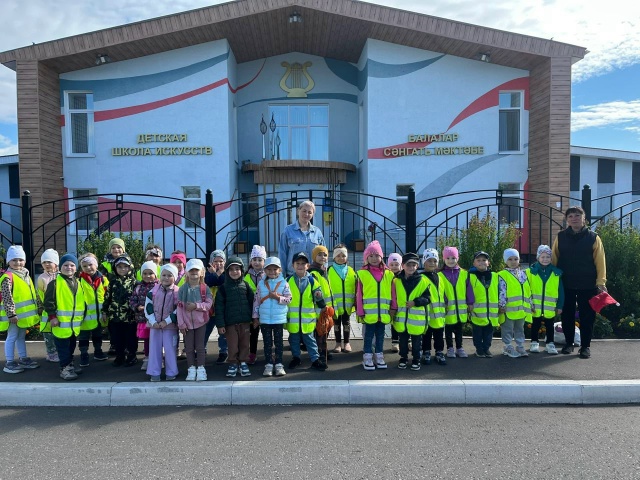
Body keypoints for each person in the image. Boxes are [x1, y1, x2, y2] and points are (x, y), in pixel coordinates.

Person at [552, 205, 607, 359]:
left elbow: (600, 262)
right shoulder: (560, 236)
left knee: (587, 316)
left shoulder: (593, 237)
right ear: (567, 220)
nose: (574, 218)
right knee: (567, 314)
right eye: (570, 216)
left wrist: (601, 282)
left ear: (584, 218)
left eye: (577, 215)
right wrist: (552, 280)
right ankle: (569, 343)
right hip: (565, 282)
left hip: (587, 283)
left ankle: (585, 346)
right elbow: (554, 258)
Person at [1, 245, 42, 374]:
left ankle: (23, 358)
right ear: (8, 261)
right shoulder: (8, 277)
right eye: (14, 260)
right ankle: (9, 362)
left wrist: (38, 307)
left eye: (20, 260)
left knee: (20, 336)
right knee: (12, 337)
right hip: (13, 316)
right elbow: (7, 297)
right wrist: (11, 314)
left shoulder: (25, 274)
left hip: (22, 316)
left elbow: (32, 294)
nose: (17, 262)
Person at [43, 253, 85, 380]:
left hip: (72, 325)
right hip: (60, 324)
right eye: (65, 265)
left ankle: (69, 364)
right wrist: (52, 317)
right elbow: (48, 302)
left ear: (76, 268)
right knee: (63, 348)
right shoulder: (55, 283)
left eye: (72, 265)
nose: (69, 267)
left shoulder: (78, 283)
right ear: (60, 267)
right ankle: (65, 368)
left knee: (71, 346)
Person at [286, 251, 328, 371]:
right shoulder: (287, 281)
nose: (300, 266)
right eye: (298, 263)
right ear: (293, 265)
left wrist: (322, 306)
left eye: (303, 263)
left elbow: (319, 298)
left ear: (308, 266)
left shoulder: (312, 281)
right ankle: (296, 358)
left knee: (310, 340)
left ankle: (315, 359)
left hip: (308, 319)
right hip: (293, 319)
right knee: (293, 340)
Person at [356, 240, 394, 370]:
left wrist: (393, 307)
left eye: (377, 255)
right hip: (369, 314)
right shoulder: (362, 274)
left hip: (383, 313)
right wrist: (360, 311)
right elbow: (359, 295)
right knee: (368, 336)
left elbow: (393, 293)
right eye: (370, 256)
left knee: (380, 336)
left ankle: (379, 356)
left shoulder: (389, 274)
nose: (374, 258)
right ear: (366, 258)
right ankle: (367, 357)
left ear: (381, 257)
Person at [215, 256, 254, 377]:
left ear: (242, 270)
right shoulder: (223, 288)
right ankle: (232, 363)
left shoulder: (246, 285)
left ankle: (243, 362)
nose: (234, 272)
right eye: (231, 269)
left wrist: (254, 318)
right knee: (232, 345)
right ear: (227, 272)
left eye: (237, 269)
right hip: (230, 324)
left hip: (245, 322)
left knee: (244, 344)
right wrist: (220, 324)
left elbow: (252, 303)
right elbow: (219, 307)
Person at [390, 253, 430, 370]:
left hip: (416, 320)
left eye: (414, 265)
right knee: (402, 341)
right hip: (401, 318)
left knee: (416, 342)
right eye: (408, 265)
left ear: (417, 266)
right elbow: (393, 297)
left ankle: (416, 359)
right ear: (402, 265)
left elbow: (427, 298)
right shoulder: (396, 281)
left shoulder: (423, 281)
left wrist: (415, 302)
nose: (411, 267)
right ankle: (403, 358)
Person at [253, 257, 292, 377]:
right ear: (265, 270)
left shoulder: (284, 283)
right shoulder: (261, 284)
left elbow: (289, 299)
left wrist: (277, 298)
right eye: (269, 269)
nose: (272, 272)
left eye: (275, 269)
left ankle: (279, 364)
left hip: (278, 319)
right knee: (267, 343)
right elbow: (256, 301)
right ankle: (269, 364)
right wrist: (255, 317)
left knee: (279, 343)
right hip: (265, 319)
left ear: (280, 270)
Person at [177, 259, 212, 381]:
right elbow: (179, 308)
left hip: (201, 323)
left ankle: (201, 368)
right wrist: (181, 324)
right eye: (191, 270)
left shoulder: (205, 289)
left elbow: (208, 304)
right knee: (189, 348)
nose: (193, 272)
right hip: (186, 324)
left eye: (196, 270)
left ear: (202, 272)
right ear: (186, 272)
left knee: (200, 347)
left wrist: (196, 306)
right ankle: (191, 368)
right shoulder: (182, 289)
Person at [145, 263, 180, 381]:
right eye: (164, 275)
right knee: (154, 349)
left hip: (170, 327)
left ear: (175, 277)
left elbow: (178, 309)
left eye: (169, 275)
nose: (166, 278)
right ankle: (154, 372)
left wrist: (167, 321)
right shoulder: (153, 291)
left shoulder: (177, 292)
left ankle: (171, 372)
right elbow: (148, 307)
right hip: (155, 326)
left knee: (170, 349)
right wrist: (153, 321)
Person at [527, 245, 564, 355]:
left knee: (550, 326)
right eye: (542, 257)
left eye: (548, 257)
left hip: (550, 307)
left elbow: (561, 291)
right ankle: (534, 342)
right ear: (538, 258)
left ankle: (550, 344)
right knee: (535, 325)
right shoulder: (531, 272)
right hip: (535, 306)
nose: (545, 259)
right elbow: (526, 289)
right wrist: (529, 304)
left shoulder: (556, 273)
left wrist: (560, 306)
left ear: (551, 258)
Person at [102, 254, 138, 367]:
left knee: (131, 338)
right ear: (115, 268)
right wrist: (104, 311)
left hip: (130, 317)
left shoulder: (134, 283)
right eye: (119, 267)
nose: (122, 269)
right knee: (117, 338)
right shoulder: (113, 282)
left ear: (130, 267)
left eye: (125, 266)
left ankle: (132, 356)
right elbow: (107, 298)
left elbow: (137, 299)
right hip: (115, 316)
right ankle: (120, 356)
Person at [439, 246, 474, 358]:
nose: (451, 260)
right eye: (448, 258)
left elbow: (469, 289)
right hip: (448, 308)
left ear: (457, 258)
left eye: (453, 258)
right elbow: (440, 291)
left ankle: (459, 348)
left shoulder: (464, 273)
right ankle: (450, 348)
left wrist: (470, 302)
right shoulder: (440, 275)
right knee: (448, 330)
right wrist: (443, 303)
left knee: (459, 330)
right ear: (444, 259)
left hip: (461, 309)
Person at [498, 248, 533, 358]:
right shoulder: (503, 274)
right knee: (507, 329)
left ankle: (520, 346)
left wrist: (531, 304)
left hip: (521, 309)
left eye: (515, 259)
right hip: (508, 309)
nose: (513, 262)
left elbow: (528, 291)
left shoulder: (523, 274)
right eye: (510, 259)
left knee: (520, 329)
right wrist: (501, 305)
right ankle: (507, 346)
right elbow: (502, 291)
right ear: (505, 261)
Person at [278, 200, 326, 277]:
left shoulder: (317, 232)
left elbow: (324, 254)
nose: (306, 214)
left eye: (310, 212)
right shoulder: (288, 231)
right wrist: (282, 275)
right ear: (298, 211)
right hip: (292, 275)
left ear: (313, 214)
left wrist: (323, 272)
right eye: (304, 211)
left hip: (313, 275)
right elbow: (282, 254)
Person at [77, 253, 109, 366]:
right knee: (83, 336)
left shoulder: (104, 280)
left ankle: (98, 351)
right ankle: (84, 354)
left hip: (99, 315)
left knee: (97, 335)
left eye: (90, 265)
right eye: (84, 266)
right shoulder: (79, 281)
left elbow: (107, 297)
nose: (88, 268)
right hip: (84, 316)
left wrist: (105, 311)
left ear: (96, 265)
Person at [468, 251, 499, 357]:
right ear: (474, 263)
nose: (481, 262)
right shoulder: (471, 277)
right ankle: (479, 349)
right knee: (477, 333)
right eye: (478, 260)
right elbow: (468, 292)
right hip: (477, 312)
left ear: (488, 263)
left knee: (489, 333)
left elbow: (500, 291)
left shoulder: (494, 276)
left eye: (484, 260)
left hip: (491, 312)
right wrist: (469, 303)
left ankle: (486, 348)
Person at [99, 237, 126, 355]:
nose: (116, 250)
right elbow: (101, 279)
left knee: (125, 323)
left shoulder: (128, 262)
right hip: (111, 296)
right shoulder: (105, 264)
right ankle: (114, 344)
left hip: (124, 296)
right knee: (113, 323)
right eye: (113, 247)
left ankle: (125, 345)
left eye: (119, 247)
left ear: (123, 249)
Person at [328, 244, 357, 353]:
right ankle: (338, 343)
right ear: (334, 257)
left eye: (343, 256)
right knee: (336, 324)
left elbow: (356, 285)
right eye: (338, 256)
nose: (341, 258)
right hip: (335, 304)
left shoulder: (351, 270)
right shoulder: (329, 270)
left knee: (346, 323)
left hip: (347, 304)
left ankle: (347, 343)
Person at [130, 260, 159, 371]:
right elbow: (132, 300)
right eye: (145, 273)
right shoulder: (138, 287)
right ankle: (147, 359)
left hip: (156, 319)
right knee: (147, 341)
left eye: (150, 273)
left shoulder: (159, 286)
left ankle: (158, 359)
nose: (147, 276)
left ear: (155, 274)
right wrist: (137, 307)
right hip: (143, 319)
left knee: (157, 340)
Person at [308, 245, 334, 360]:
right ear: (314, 257)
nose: (322, 257)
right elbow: (316, 292)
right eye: (319, 255)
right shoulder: (313, 272)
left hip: (326, 308)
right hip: (319, 308)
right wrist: (322, 305)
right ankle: (319, 352)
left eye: (325, 255)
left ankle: (324, 349)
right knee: (319, 330)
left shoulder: (323, 271)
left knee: (325, 329)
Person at [204, 249, 228, 364]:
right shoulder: (207, 273)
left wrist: (218, 274)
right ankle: (201, 350)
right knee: (205, 331)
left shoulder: (227, 274)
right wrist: (216, 274)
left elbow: (222, 282)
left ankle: (223, 352)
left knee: (223, 333)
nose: (218, 264)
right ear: (211, 262)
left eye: (221, 261)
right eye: (215, 261)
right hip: (209, 310)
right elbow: (209, 282)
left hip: (222, 310)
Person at [244, 245, 266, 365]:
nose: (257, 262)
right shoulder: (246, 276)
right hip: (252, 312)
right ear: (251, 261)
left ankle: (269, 353)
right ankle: (252, 354)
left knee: (267, 334)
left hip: (265, 310)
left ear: (264, 261)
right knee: (253, 334)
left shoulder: (267, 275)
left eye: (260, 260)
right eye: (254, 259)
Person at [37, 248, 59, 362]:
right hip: (47, 310)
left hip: (60, 310)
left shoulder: (61, 276)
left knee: (58, 332)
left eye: (49, 262)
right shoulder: (41, 278)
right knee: (48, 333)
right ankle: (51, 353)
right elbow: (40, 294)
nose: (47, 264)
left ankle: (58, 352)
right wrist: (43, 307)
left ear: (56, 263)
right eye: (44, 262)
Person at [387, 252, 403, 352]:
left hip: (402, 303)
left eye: (396, 264)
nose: (394, 267)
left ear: (401, 265)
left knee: (405, 321)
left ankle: (408, 341)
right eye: (391, 265)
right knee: (394, 323)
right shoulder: (388, 276)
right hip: (392, 304)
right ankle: (395, 342)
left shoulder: (403, 276)